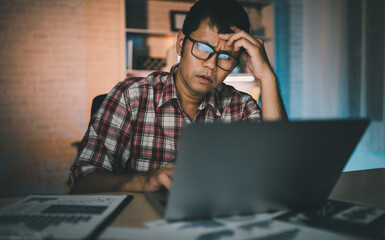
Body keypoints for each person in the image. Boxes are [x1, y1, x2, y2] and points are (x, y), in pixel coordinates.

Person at [68, 0, 287, 194]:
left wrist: (267, 77)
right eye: (203, 47)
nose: (211, 64)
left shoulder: (241, 107)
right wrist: (145, 181)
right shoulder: (131, 96)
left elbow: (280, 172)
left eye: (225, 57)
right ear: (181, 43)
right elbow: (82, 181)